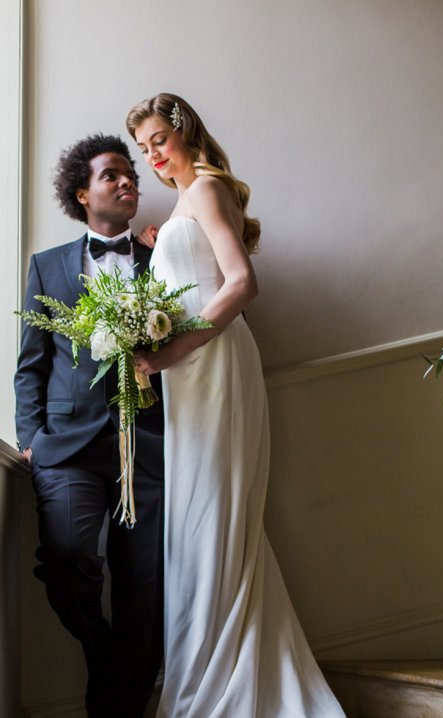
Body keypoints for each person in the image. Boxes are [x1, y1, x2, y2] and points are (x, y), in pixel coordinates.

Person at [125, 93, 345, 717]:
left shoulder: (209, 188)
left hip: (213, 366)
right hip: (187, 374)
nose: (152, 156)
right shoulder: (184, 204)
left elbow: (241, 282)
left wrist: (173, 349)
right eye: (143, 149)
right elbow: (190, 278)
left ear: (184, 130)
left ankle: (222, 686)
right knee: (199, 524)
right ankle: (206, 668)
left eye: (157, 140)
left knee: (213, 518)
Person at [15, 134, 165, 718]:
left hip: (150, 445)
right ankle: (102, 653)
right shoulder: (46, 266)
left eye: (132, 175)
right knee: (70, 557)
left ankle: (117, 709)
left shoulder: (165, 257)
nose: (128, 182)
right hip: (67, 446)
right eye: (112, 175)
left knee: (144, 588)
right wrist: (29, 438)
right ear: (82, 192)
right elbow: (31, 363)